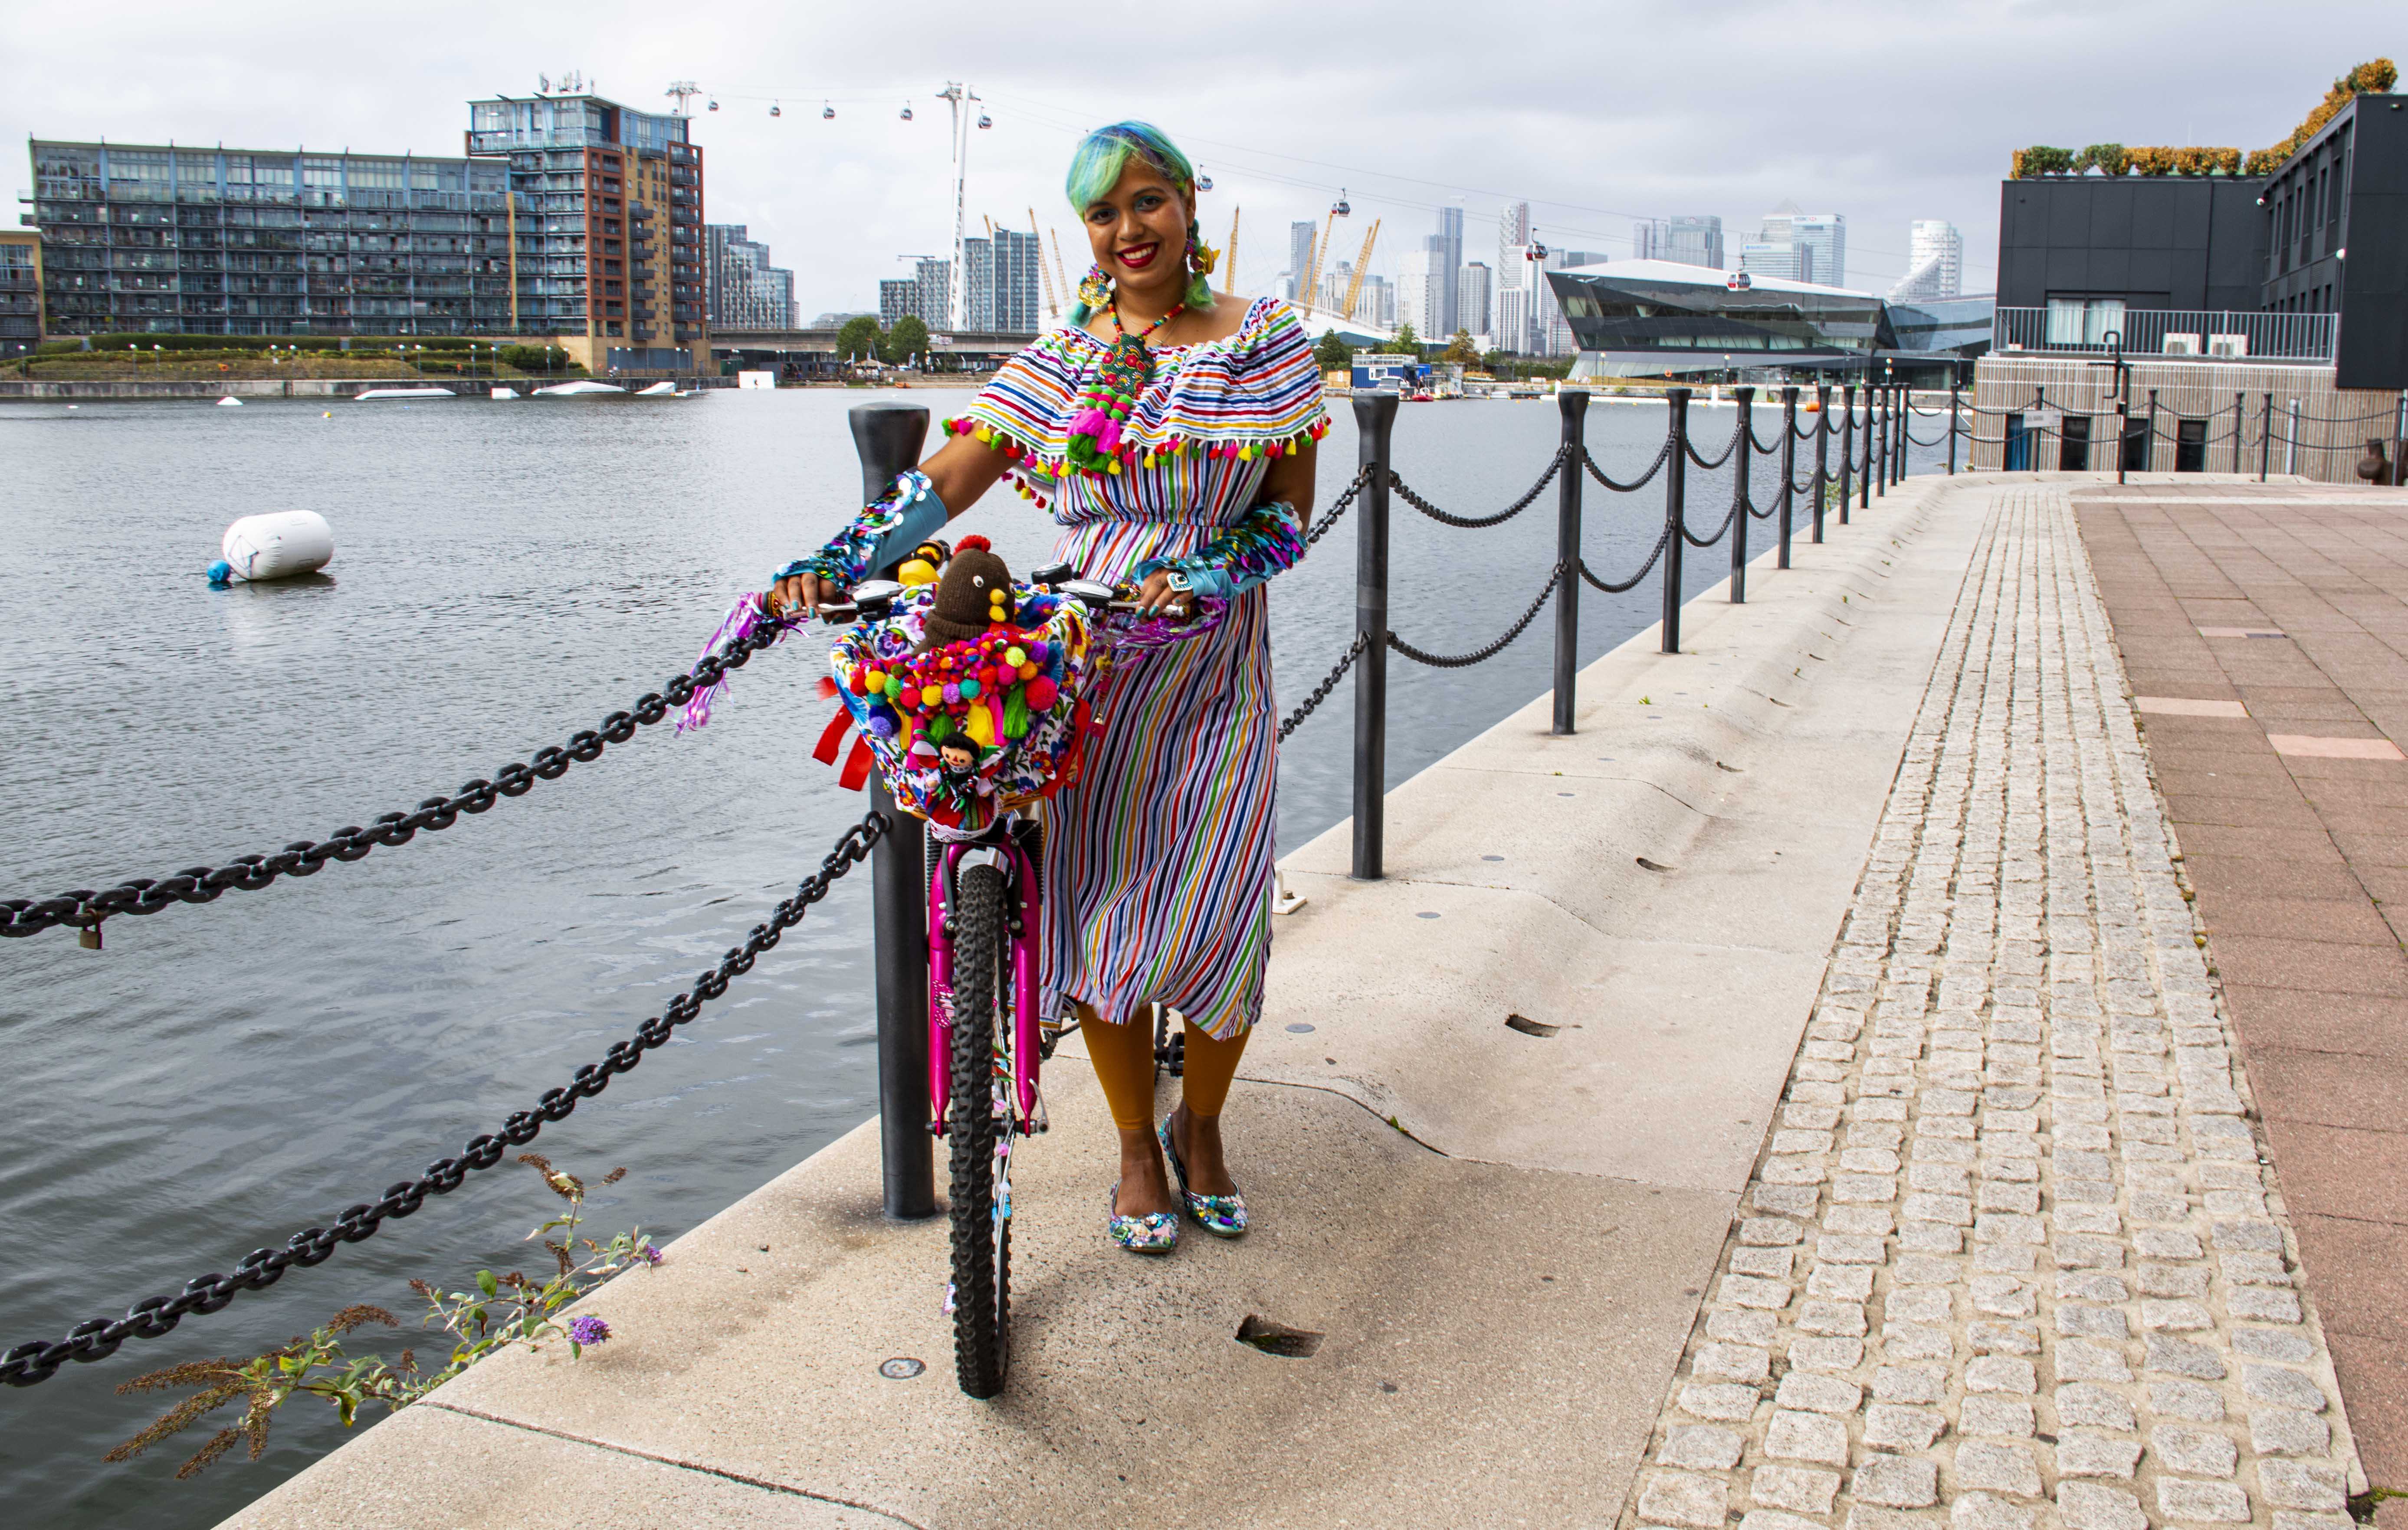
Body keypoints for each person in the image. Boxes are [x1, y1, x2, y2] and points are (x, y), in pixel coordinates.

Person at [768, 121, 1324, 1255]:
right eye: (1105, 214)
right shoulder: (1062, 361)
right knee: (1101, 911)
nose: (1130, 230)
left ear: (1188, 207)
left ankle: (1202, 1128)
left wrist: (1204, 571)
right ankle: (1132, 1147)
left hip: (1215, 661)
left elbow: (1287, 518)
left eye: (1148, 202)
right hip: (1091, 672)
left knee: (1225, 913)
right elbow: (945, 485)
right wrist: (831, 565)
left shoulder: (1263, 340)